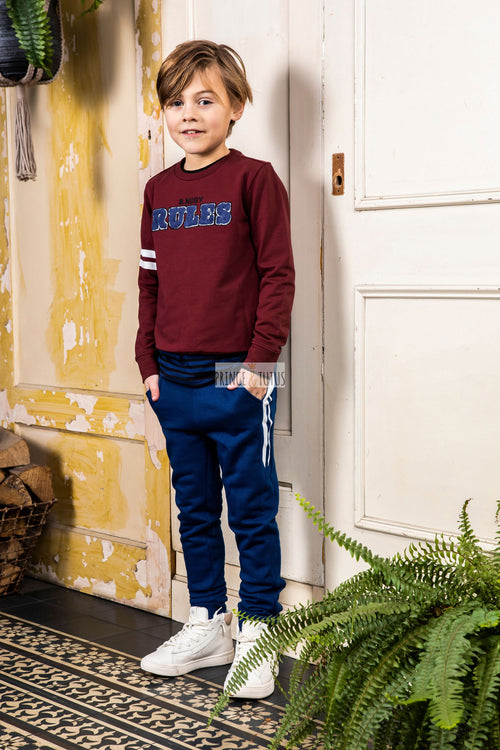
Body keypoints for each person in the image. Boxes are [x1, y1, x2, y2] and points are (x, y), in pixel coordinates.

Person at [135, 39, 294, 700]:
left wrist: (259, 365)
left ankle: (260, 629)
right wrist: (147, 363)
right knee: (194, 507)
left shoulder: (255, 180)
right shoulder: (158, 191)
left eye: (205, 100)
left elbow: (277, 276)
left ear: (236, 108)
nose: (189, 114)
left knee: (251, 507)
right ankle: (207, 622)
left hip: (238, 373)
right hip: (173, 377)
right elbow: (149, 284)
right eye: (177, 102)